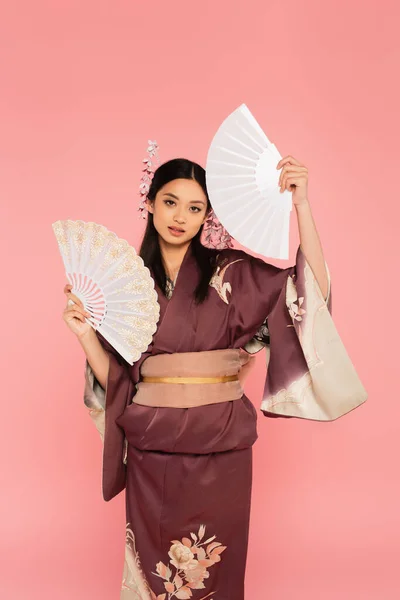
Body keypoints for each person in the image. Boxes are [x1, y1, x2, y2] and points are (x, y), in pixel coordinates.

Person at [62, 156, 367, 600]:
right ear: (149, 203)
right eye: (170, 202)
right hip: (153, 451)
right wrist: (85, 335)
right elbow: (120, 384)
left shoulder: (232, 272)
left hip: (221, 448)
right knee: (154, 576)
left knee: (213, 577)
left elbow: (308, 295)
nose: (180, 217)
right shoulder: (127, 284)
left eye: (194, 207)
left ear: (208, 215)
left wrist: (302, 206)